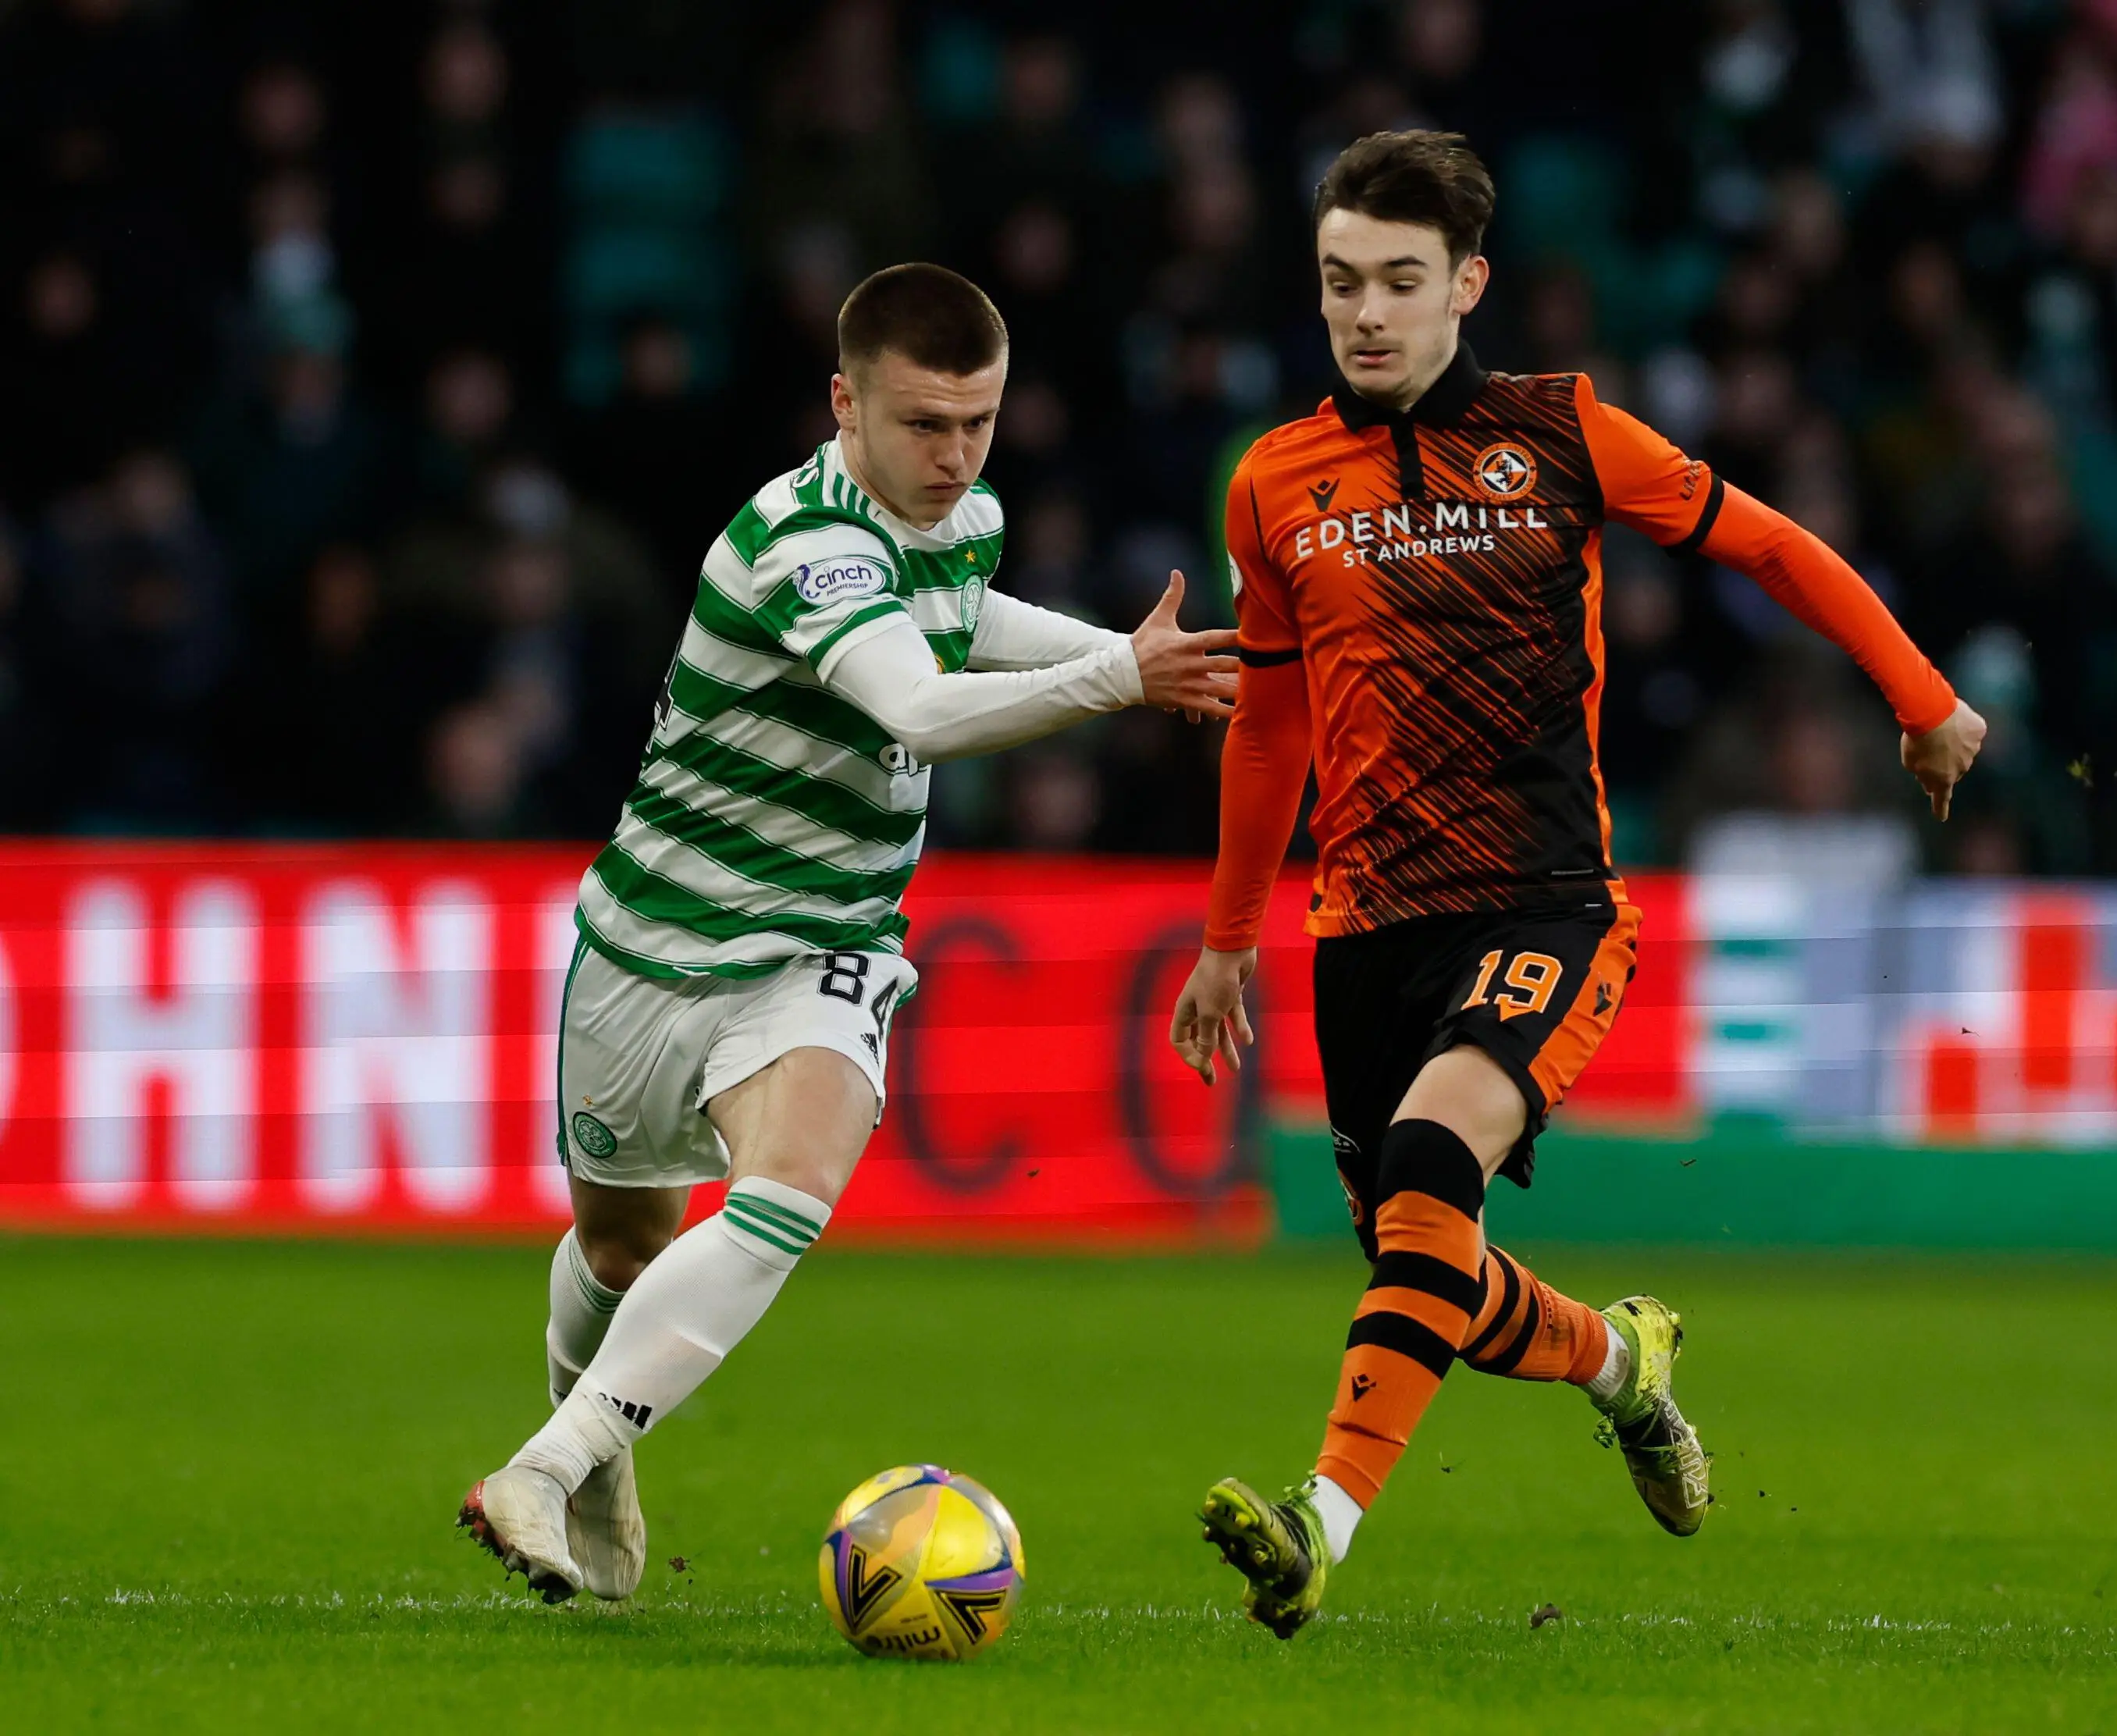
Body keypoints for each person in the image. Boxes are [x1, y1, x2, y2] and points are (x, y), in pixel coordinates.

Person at [1168, 133, 1985, 1638]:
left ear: (1467, 285)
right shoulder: (1274, 483)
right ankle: (1622, 1364)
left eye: (1401, 282)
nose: (1367, 313)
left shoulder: (1564, 434)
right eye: (1343, 281)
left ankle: (1319, 1524)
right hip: (1363, 930)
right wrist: (1230, 937)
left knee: (1428, 1165)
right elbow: (1271, 719)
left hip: (1545, 902)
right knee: (1428, 1265)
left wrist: (1921, 697)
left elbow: (1772, 546)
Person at [460, 262, 1236, 1603]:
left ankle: (549, 1458)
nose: (954, 457)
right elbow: (920, 708)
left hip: (821, 943)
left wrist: (1137, 652)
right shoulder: (800, 543)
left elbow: (963, 614)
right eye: (923, 425)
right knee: (616, 1253)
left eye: (978, 423)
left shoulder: (962, 519)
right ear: (845, 404)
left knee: (791, 1185)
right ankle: (597, 1448)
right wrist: (1120, 677)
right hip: (652, 940)